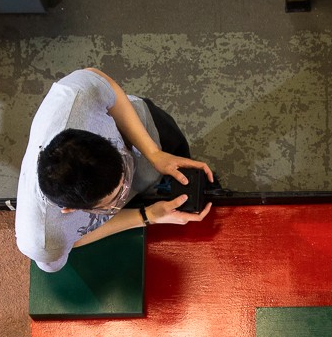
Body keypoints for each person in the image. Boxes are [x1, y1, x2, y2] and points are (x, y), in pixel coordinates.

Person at [14, 67, 214, 273]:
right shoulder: (43, 240)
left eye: (123, 175)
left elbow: (107, 87)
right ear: (69, 209)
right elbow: (70, 242)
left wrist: (154, 153)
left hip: (145, 133)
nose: (126, 187)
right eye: (115, 198)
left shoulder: (77, 96)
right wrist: (146, 216)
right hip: (137, 202)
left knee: (181, 155)